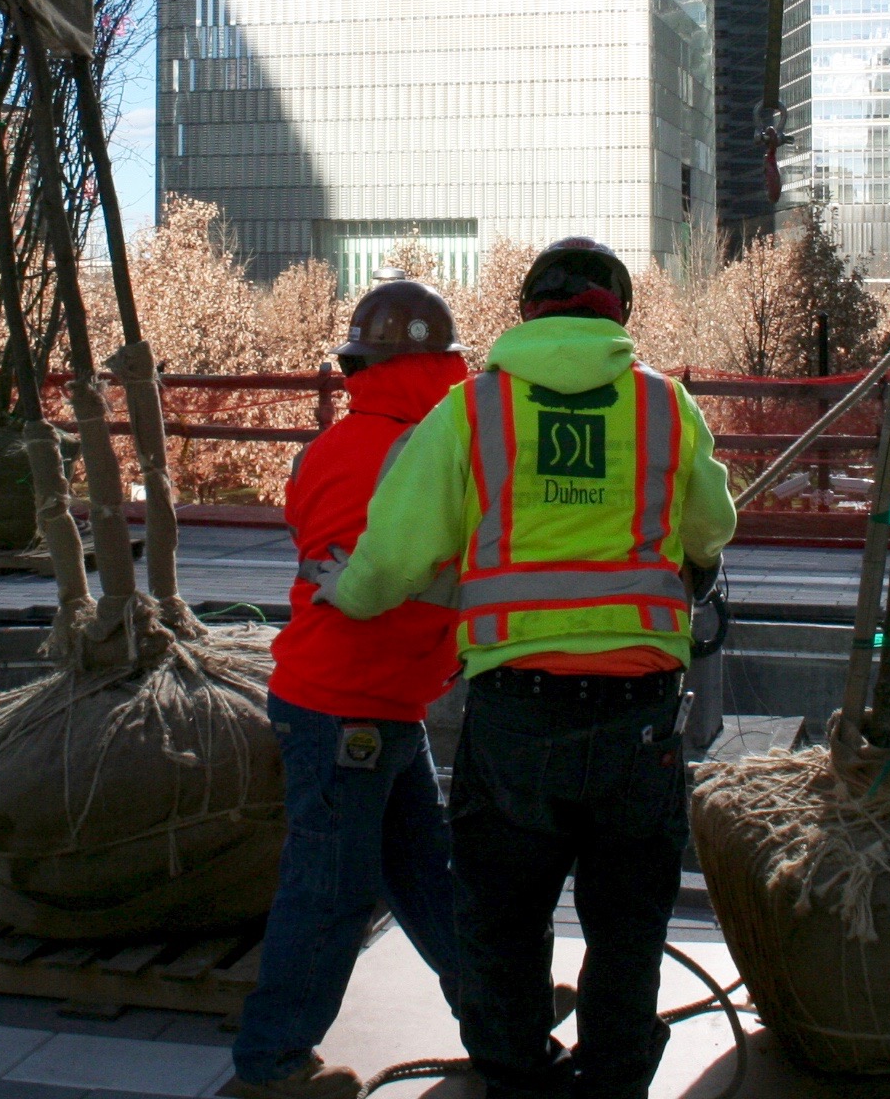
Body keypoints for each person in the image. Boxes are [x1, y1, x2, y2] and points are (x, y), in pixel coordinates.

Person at [324, 238, 736, 1099]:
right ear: (618, 311)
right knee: (628, 921)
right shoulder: (667, 408)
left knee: (502, 917)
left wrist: (348, 594)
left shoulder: (472, 412)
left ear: (527, 314)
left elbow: (397, 553)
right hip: (642, 715)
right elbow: (710, 531)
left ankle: (518, 1075)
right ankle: (614, 1079)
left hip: (518, 710)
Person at [224, 275, 471, 1099]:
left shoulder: (336, 446)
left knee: (422, 870)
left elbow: (317, 537)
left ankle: (499, 1002)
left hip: (349, 692)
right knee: (332, 890)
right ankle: (271, 1065)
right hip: (356, 703)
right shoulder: (440, 447)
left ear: (358, 362)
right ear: (445, 361)